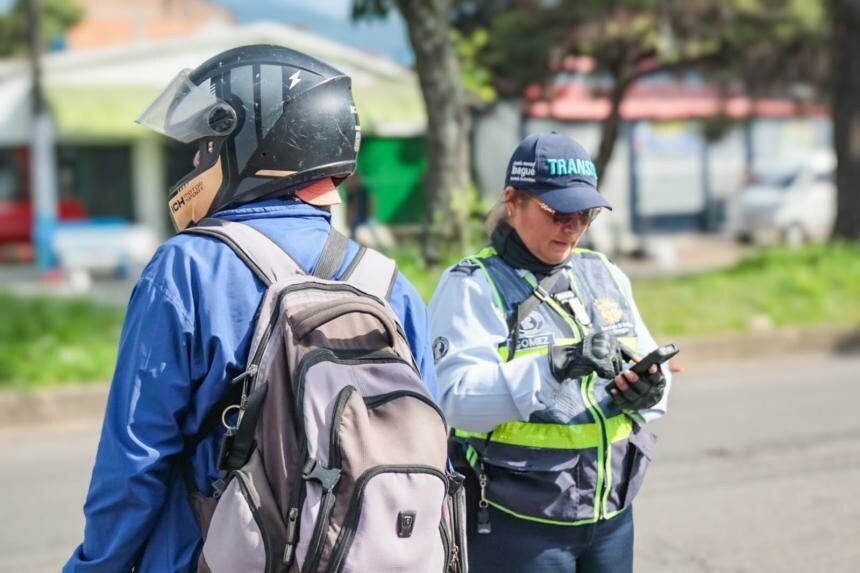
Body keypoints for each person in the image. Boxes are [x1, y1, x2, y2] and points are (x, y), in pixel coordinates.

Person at [64, 44, 436, 573]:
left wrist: (95, 566)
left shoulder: (187, 267)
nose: (197, 161)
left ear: (255, 146)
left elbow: (135, 461)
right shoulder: (390, 285)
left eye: (209, 145)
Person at [429, 132, 672, 573]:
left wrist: (650, 390)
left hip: (611, 514)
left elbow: (647, 358)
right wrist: (553, 365)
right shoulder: (471, 284)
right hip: (518, 523)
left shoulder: (603, 273)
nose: (573, 227)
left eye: (586, 214)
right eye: (558, 212)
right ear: (511, 200)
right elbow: (456, 401)